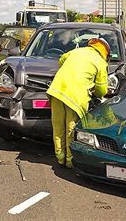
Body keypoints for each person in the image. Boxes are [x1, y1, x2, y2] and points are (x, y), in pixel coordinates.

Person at [46, 38, 110, 169]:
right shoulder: (100, 62)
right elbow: (102, 90)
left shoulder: (76, 52)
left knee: (58, 127)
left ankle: (60, 157)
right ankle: (70, 161)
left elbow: (61, 60)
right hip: (75, 97)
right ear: (105, 52)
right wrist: (95, 91)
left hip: (57, 90)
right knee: (71, 128)